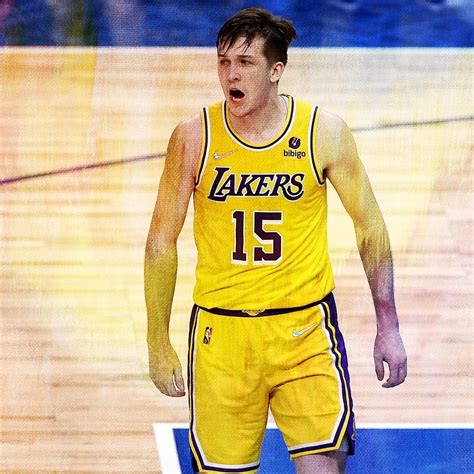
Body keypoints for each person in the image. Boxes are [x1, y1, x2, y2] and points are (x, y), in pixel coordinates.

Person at [145, 7, 407, 473]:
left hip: (304, 331)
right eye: (224, 62)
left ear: (275, 70)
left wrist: (388, 325)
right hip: (222, 338)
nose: (230, 74)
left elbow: (370, 227)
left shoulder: (322, 132)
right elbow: (160, 243)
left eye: (245, 63)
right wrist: (157, 341)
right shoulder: (193, 137)